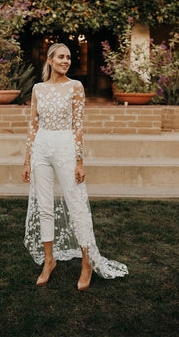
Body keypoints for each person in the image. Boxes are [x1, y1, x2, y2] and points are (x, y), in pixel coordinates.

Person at [22, 43, 128, 290]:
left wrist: (80, 161)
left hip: (66, 148)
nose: (66, 60)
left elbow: (78, 126)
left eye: (69, 57)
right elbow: (32, 125)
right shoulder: (38, 88)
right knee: (44, 207)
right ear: (50, 60)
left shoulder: (75, 87)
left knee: (76, 205)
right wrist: (27, 160)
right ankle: (49, 261)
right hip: (41, 148)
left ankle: (87, 263)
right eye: (61, 56)